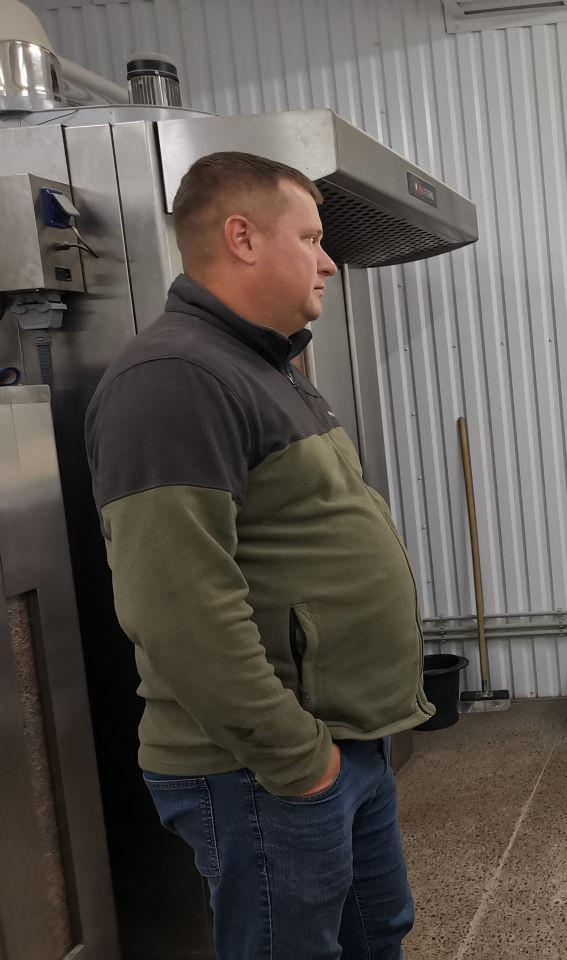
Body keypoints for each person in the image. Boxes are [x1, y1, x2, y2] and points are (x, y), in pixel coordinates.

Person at [85, 152, 432, 958]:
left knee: (375, 935)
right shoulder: (173, 379)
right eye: (310, 238)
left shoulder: (267, 365)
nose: (328, 261)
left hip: (341, 742)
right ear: (242, 238)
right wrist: (299, 759)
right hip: (263, 768)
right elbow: (180, 608)